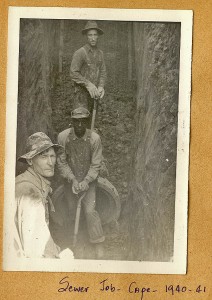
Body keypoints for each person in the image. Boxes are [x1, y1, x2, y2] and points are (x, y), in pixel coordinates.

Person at [13, 132, 74, 259]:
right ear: (30, 160)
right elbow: (36, 251)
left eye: (52, 156)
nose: (51, 163)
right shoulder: (30, 193)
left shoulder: (31, 183)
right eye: (44, 157)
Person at [57, 107, 105, 258]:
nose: (79, 125)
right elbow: (61, 162)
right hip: (70, 180)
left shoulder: (94, 139)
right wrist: (72, 179)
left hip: (88, 181)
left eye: (82, 121)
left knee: (90, 211)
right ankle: (73, 242)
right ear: (72, 122)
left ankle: (98, 242)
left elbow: (96, 163)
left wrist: (86, 181)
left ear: (87, 122)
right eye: (76, 121)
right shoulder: (63, 137)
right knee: (72, 210)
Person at [70, 20, 107, 112]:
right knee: (81, 122)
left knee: (92, 123)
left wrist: (101, 86)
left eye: (95, 35)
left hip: (94, 95)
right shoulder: (80, 53)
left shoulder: (100, 54)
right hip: (80, 96)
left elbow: (103, 72)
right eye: (90, 35)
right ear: (86, 37)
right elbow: (73, 73)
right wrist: (88, 84)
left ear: (98, 36)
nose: (93, 38)